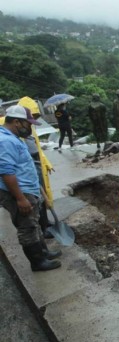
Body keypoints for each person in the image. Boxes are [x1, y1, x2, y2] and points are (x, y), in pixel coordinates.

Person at [0, 105, 61, 272]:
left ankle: (43, 253)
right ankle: (37, 262)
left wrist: (39, 190)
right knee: (27, 227)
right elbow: (7, 172)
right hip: (20, 192)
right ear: (17, 122)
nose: (30, 127)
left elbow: (24, 167)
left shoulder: (11, 137)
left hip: (28, 189)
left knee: (34, 223)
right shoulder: (5, 141)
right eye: (29, 124)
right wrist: (20, 198)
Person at [18, 97, 56, 239]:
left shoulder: (29, 128)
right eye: (31, 118)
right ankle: (42, 227)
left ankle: (45, 222)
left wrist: (46, 164)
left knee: (43, 196)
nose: (32, 122)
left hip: (36, 164)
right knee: (36, 199)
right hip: (28, 170)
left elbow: (38, 149)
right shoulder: (13, 133)